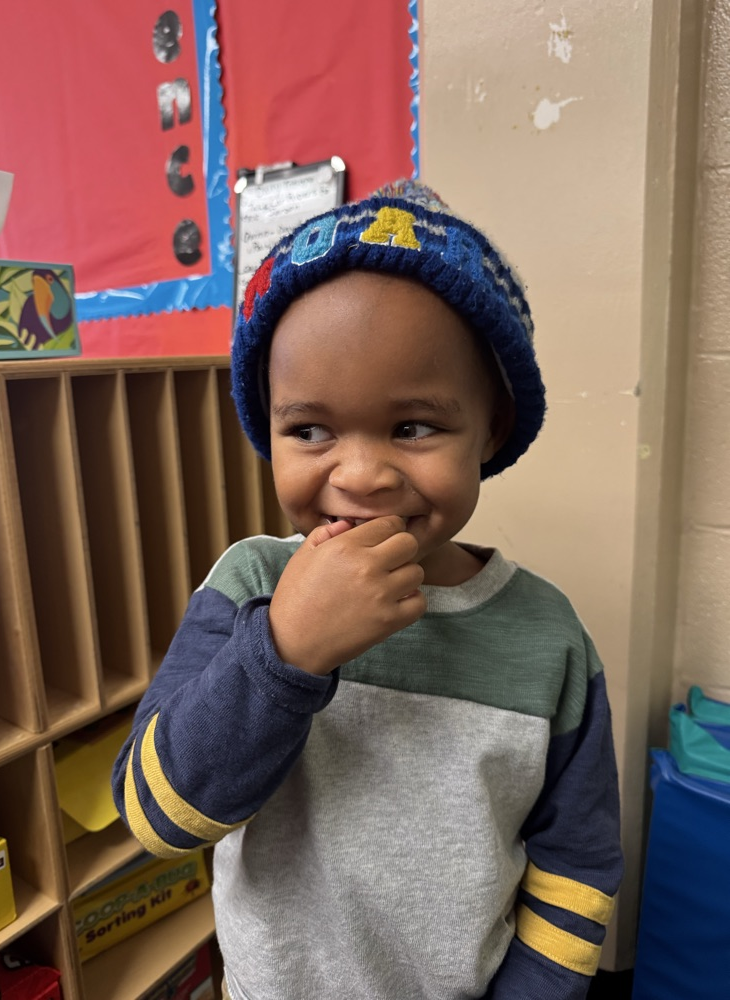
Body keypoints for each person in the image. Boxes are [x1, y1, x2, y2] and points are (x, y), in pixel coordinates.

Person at [112, 179, 623, 1000]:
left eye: (413, 426)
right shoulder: (249, 585)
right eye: (309, 430)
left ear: (490, 427)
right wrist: (285, 651)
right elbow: (157, 818)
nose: (359, 474)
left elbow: (577, 865)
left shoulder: (550, 639)